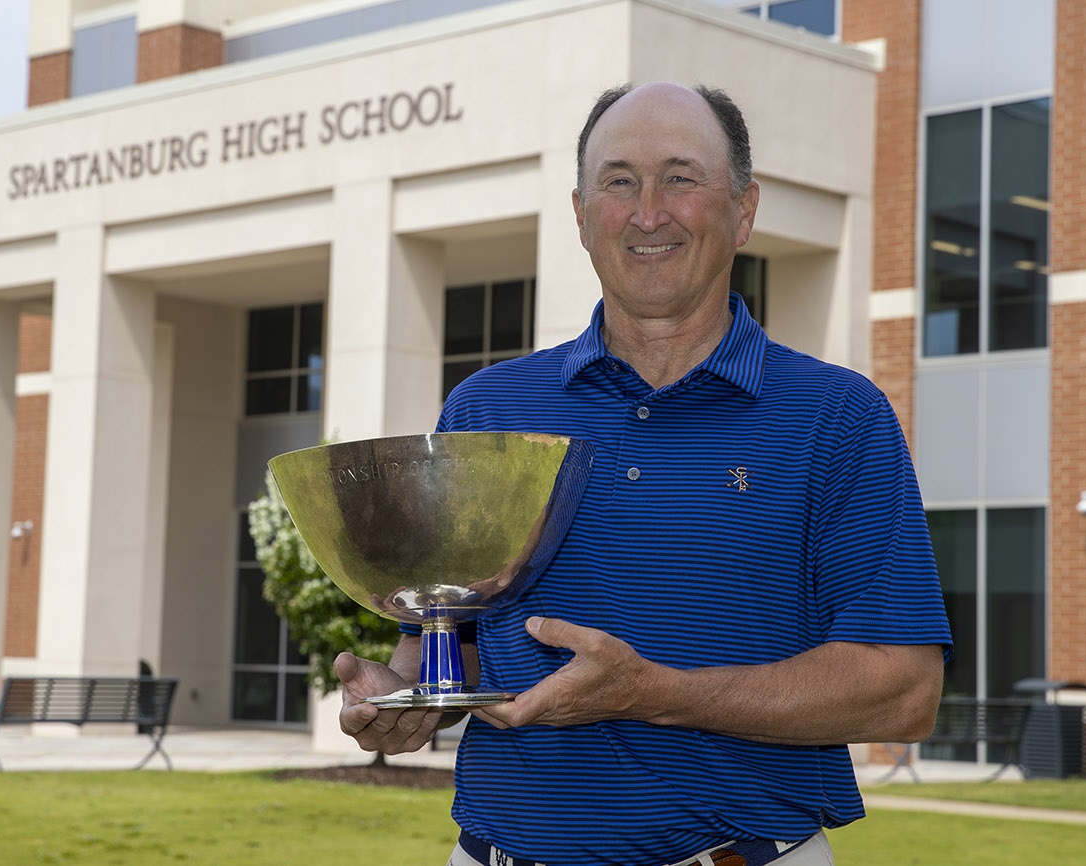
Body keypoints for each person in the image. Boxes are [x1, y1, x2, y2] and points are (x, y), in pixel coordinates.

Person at [334, 82, 951, 866]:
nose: (648, 211)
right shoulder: (486, 409)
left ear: (743, 209)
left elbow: (904, 691)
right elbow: (446, 651)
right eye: (619, 181)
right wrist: (407, 698)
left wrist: (654, 692)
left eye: (681, 179)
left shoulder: (837, 416)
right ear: (581, 214)